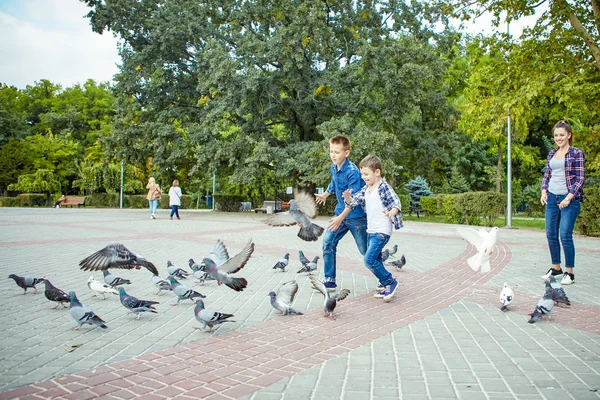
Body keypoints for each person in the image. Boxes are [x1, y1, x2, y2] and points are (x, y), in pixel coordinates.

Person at [340, 155, 403, 302]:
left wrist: (391, 213)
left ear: (377, 172)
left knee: (368, 260)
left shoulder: (383, 187)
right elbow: (353, 203)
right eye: (362, 174)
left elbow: (396, 203)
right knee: (376, 259)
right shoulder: (366, 189)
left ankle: (390, 282)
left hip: (382, 231)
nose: (363, 177)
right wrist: (348, 197)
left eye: (366, 174)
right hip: (371, 230)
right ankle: (385, 287)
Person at [315, 135, 368, 292]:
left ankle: (384, 279)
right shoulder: (334, 167)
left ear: (346, 153)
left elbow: (353, 201)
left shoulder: (353, 172)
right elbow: (334, 182)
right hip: (340, 214)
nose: (333, 155)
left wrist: (339, 219)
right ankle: (330, 280)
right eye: (331, 151)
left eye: (337, 152)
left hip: (355, 217)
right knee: (328, 242)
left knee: (366, 251)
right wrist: (326, 193)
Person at [540, 120, 585, 285]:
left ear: (569, 135)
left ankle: (570, 272)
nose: (558, 138)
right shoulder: (552, 153)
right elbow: (547, 175)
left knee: (565, 235)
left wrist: (569, 197)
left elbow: (580, 179)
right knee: (550, 234)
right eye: (556, 135)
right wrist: (544, 190)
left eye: (561, 135)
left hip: (569, 199)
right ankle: (556, 268)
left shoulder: (576, 153)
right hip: (552, 198)